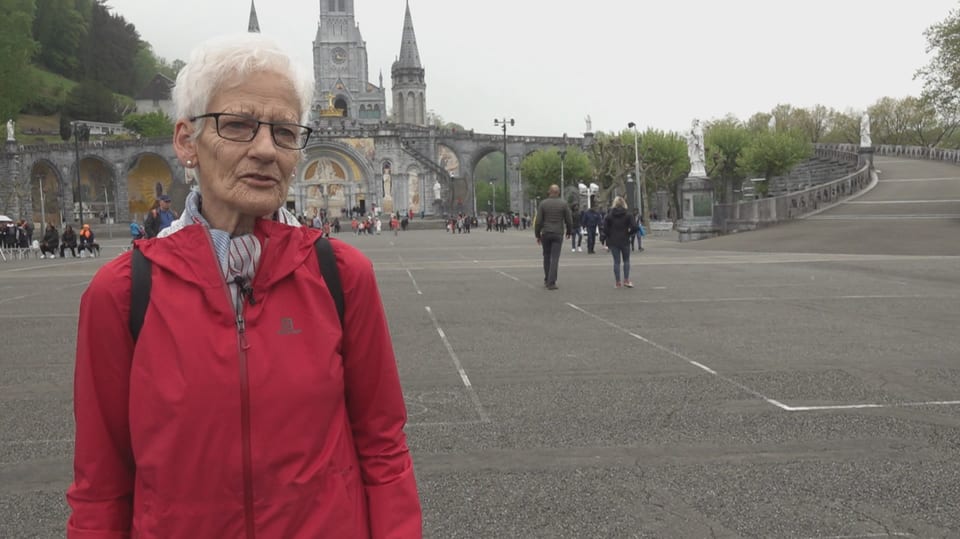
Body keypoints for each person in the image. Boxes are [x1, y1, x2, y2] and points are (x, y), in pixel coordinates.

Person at [67, 33, 422, 538]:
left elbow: (383, 449)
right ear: (187, 141)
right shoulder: (123, 292)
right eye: (237, 125)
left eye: (283, 131)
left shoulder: (343, 276)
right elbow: (101, 486)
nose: (264, 149)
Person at [534, 184, 573, 290]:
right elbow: (569, 220)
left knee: (546, 256)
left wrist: (537, 234)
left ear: (549, 192)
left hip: (546, 233)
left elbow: (538, 221)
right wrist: (569, 231)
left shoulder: (543, 204)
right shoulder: (563, 204)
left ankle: (547, 279)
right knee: (554, 258)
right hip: (557, 233)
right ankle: (552, 282)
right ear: (558, 192)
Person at [603, 196, 636, 288]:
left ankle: (618, 282)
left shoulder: (609, 216)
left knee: (616, 262)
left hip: (613, 240)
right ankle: (626, 280)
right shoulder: (628, 215)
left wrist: (609, 235)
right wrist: (629, 233)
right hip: (625, 239)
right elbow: (635, 227)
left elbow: (605, 229)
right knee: (626, 260)